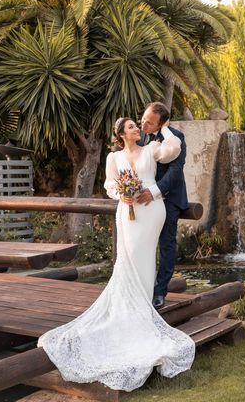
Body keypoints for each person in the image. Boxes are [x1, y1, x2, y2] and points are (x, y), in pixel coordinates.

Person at [37, 117, 195, 391]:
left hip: (151, 208)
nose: (137, 129)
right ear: (121, 134)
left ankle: (143, 312)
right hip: (127, 212)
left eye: (138, 125)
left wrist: (165, 126)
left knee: (144, 258)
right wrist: (120, 195)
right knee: (128, 258)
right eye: (132, 126)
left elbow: (175, 149)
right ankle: (132, 312)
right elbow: (110, 185)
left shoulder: (153, 148)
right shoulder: (113, 157)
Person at [136, 102, 189, 310]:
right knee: (143, 243)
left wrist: (154, 191)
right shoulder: (139, 136)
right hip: (143, 199)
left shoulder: (176, 138)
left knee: (166, 246)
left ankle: (159, 293)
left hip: (168, 198)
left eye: (149, 123)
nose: (143, 125)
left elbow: (175, 172)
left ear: (162, 123)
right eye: (143, 120)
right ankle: (142, 288)